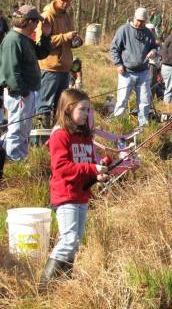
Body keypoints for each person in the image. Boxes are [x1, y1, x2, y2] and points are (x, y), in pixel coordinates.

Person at [39, 89, 109, 291]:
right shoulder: (60, 135)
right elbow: (61, 168)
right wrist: (91, 169)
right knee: (68, 239)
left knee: (75, 242)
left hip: (81, 195)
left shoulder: (84, 135)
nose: (87, 114)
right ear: (69, 109)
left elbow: (87, 165)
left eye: (88, 110)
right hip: (65, 195)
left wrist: (98, 175)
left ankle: (62, 283)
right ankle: (44, 287)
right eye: (83, 109)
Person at [0, 5, 51, 161]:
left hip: (27, 92)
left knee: (24, 128)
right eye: (36, 22)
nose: (37, 25)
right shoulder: (12, 40)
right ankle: (14, 159)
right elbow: (10, 71)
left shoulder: (25, 39)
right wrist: (23, 91)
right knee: (17, 128)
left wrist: (46, 35)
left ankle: (20, 156)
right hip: (19, 94)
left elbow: (41, 53)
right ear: (28, 21)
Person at [36, 0, 82, 128]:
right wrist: (65, 37)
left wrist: (75, 41)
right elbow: (41, 43)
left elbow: (66, 41)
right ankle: (42, 138)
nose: (67, 3)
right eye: (64, 0)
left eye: (69, 0)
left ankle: (57, 135)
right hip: (50, 68)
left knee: (61, 106)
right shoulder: (46, 16)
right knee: (45, 106)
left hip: (65, 68)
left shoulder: (66, 16)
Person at [110, 7, 157, 127]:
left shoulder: (148, 33)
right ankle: (118, 125)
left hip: (143, 72)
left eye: (143, 21)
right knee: (122, 100)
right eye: (138, 20)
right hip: (126, 72)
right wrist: (118, 64)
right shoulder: (123, 30)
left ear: (146, 20)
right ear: (134, 17)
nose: (140, 23)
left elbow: (154, 46)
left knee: (144, 101)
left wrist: (153, 51)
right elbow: (114, 49)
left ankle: (143, 125)